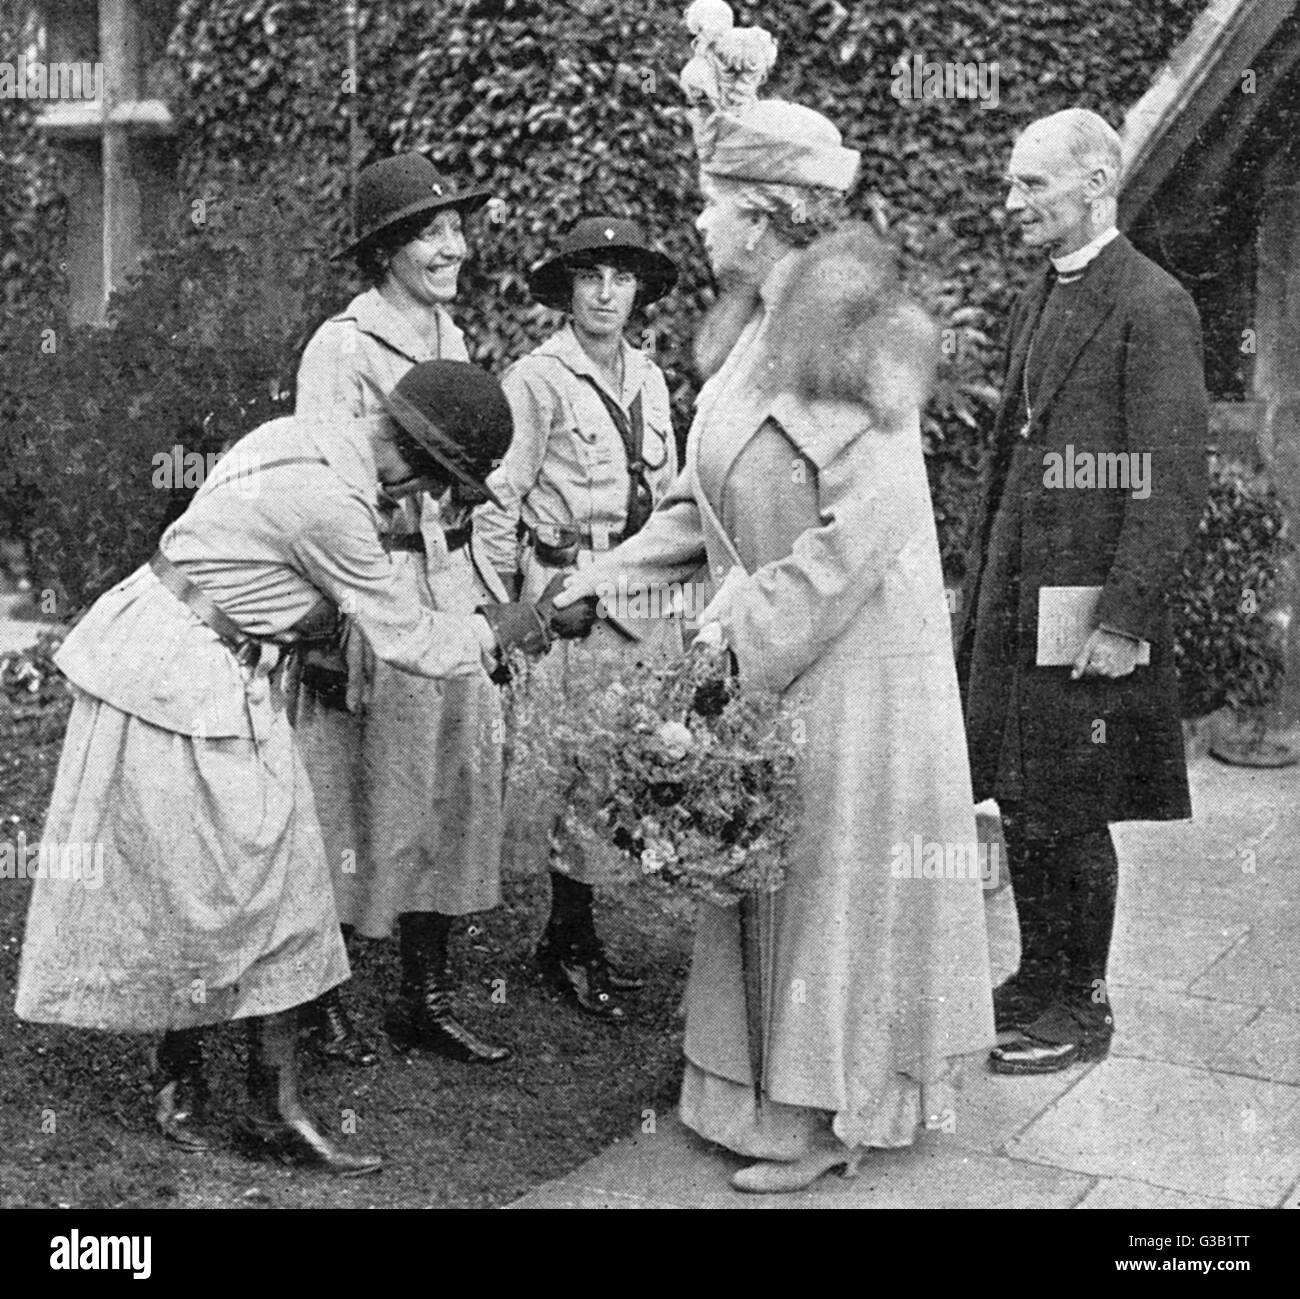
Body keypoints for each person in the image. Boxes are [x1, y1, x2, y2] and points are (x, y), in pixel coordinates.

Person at [552, 9, 994, 1192]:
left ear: (758, 215)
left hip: (853, 658)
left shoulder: (839, 325)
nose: (693, 224)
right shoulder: (755, 330)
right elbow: (715, 501)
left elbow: (871, 524)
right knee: (771, 873)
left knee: (827, 882)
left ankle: (823, 1115)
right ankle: (757, 1092)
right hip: (784, 645)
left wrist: (731, 647)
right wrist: (598, 577)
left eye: (707, 203)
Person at [12, 360, 561, 1173]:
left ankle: (265, 1101)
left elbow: (258, 566)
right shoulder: (332, 502)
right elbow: (409, 639)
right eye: (445, 482)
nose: (436, 502)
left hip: (207, 663)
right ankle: (198, 1080)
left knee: (274, 879)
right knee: (202, 882)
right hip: (177, 677)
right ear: (414, 457)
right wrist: (516, 623)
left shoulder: (302, 436)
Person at [955, 108, 1209, 1075]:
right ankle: (1038, 975)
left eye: (1033, 185)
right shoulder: (1040, 292)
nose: (1013, 202)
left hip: (1086, 613)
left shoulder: (1152, 303)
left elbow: (1172, 476)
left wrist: (1123, 619)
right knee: (1022, 798)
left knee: (1074, 804)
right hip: (1016, 605)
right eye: (1014, 183)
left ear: (1096, 181)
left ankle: (1084, 1006)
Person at [293, 152, 515, 1065]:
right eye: (433, 233)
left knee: (454, 776)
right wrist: (330, 623)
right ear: (387, 249)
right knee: (353, 788)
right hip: (372, 586)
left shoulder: (450, 338)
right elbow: (322, 484)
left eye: (458, 229)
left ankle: (425, 992)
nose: (453, 247)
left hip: (448, 578)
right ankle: (317, 992)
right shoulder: (342, 345)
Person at [474, 215, 681, 1020]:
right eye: (590, 275)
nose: (605, 292)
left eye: (620, 277)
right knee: (576, 770)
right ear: (566, 289)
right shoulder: (539, 378)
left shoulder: (651, 379)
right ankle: (570, 939)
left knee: (624, 763)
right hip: (571, 593)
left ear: (638, 292)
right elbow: (500, 499)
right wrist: (503, 610)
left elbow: (668, 500)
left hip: (641, 590)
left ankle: (577, 935)